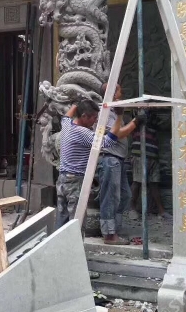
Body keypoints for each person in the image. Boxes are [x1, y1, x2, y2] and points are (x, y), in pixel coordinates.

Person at [56, 98, 123, 231]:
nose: (96, 121)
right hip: (75, 182)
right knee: (76, 222)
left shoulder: (67, 125)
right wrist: (119, 116)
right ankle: (75, 245)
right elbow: (108, 142)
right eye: (93, 118)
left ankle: (58, 243)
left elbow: (66, 116)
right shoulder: (82, 133)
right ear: (84, 116)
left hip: (63, 179)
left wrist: (76, 104)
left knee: (62, 220)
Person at [98, 83, 147, 245]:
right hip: (110, 159)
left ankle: (115, 228)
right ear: (112, 94)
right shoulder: (105, 112)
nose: (122, 91)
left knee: (125, 195)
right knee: (110, 196)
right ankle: (109, 234)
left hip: (118, 159)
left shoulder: (115, 112)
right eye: (118, 89)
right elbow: (117, 134)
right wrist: (135, 122)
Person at [130, 111, 171, 219]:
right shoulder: (137, 115)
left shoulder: (153, 118)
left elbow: (164, 126)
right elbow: (135, 121)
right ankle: (132, 209)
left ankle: (161, 211)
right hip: (139, 154)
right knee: (137, 182)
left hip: (152, 155)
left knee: (154, 183)